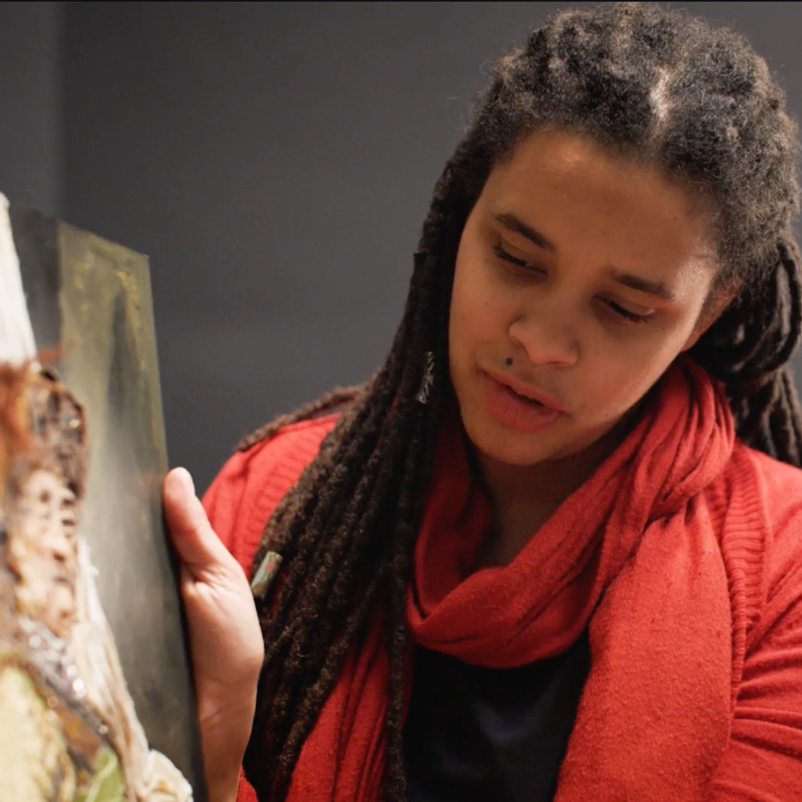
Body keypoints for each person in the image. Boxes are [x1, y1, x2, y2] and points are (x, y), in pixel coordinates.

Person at [162, 3, 802, 801]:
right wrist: (212, 760)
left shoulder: (785, 567)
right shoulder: (274, 507)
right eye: (517, 257)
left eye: (624, 310)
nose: (540, 341)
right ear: (463, 216)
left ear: (705, 315)